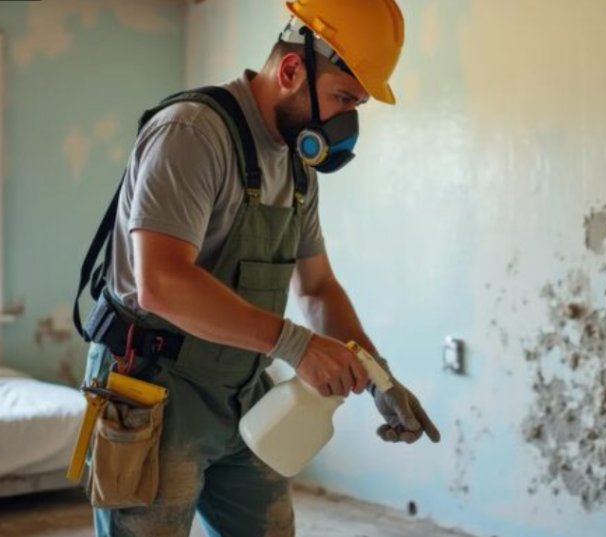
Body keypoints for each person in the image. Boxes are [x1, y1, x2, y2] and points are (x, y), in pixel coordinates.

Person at [74, 0, 440, 535]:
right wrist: (297, 346)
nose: (348, 122)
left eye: (356, 104)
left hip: (243, 388)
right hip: (153, 386)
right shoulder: (193, 134)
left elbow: (317, 288)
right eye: (342, 98)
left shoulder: (297, 169)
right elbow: (160, 282)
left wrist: (378, 374)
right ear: (292, 71)